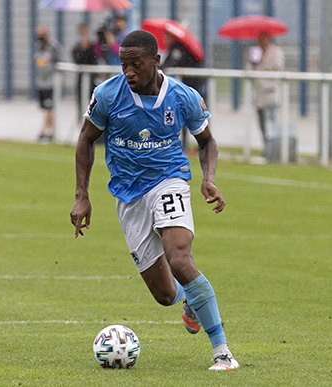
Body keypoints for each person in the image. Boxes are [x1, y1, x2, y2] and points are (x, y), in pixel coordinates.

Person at [70, 30, 239, 371]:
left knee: (179, 258)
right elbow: (86, 140)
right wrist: (82, 196)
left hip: (169, 180)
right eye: (123, 65)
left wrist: (208, 178)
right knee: (164, 295)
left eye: (136, 64)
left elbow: (206, 141)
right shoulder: (106, 95)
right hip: (128, 194)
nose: (129, 72)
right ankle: (190, 299)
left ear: (155, 61)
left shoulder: (182, 96)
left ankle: (222, 351)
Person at [160, 31, 206, 151]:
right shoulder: (175, 48)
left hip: (196, 85)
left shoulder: (179, 49)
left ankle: (201, 145)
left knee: (198, 115)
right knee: (185, 115)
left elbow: (170, 64)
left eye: (167, 36)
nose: (165, 39)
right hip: (189, 85)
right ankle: (185, 144)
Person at [248, 31, 285, 142]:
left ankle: (272, 147)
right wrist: (253, 62)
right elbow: (249, 71)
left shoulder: (276, 52)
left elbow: (278, 68)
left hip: (271, 94)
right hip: (259, 95)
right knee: (262, 123)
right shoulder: (255, 52)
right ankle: (265, 145)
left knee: (271, 122)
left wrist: (264, 59)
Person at [34, 24, 60, 143]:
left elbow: (60, 60)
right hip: (41, 82)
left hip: (50, 83)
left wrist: (59, 75)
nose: (40, 36)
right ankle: (52, 131)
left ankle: (44, 131)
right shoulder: (38, 47)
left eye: (42, 33)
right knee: (46, 108)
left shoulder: (53, 47)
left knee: (49, 107)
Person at [71, 23, 98, 121]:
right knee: (81, 101)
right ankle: (81, 121)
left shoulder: (93, 47)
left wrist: (88, 48)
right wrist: (83, 49)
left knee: (93, 101)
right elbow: (78, 61)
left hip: (92, 80)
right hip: (81, 80)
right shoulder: (76, 48)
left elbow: (94, 60)